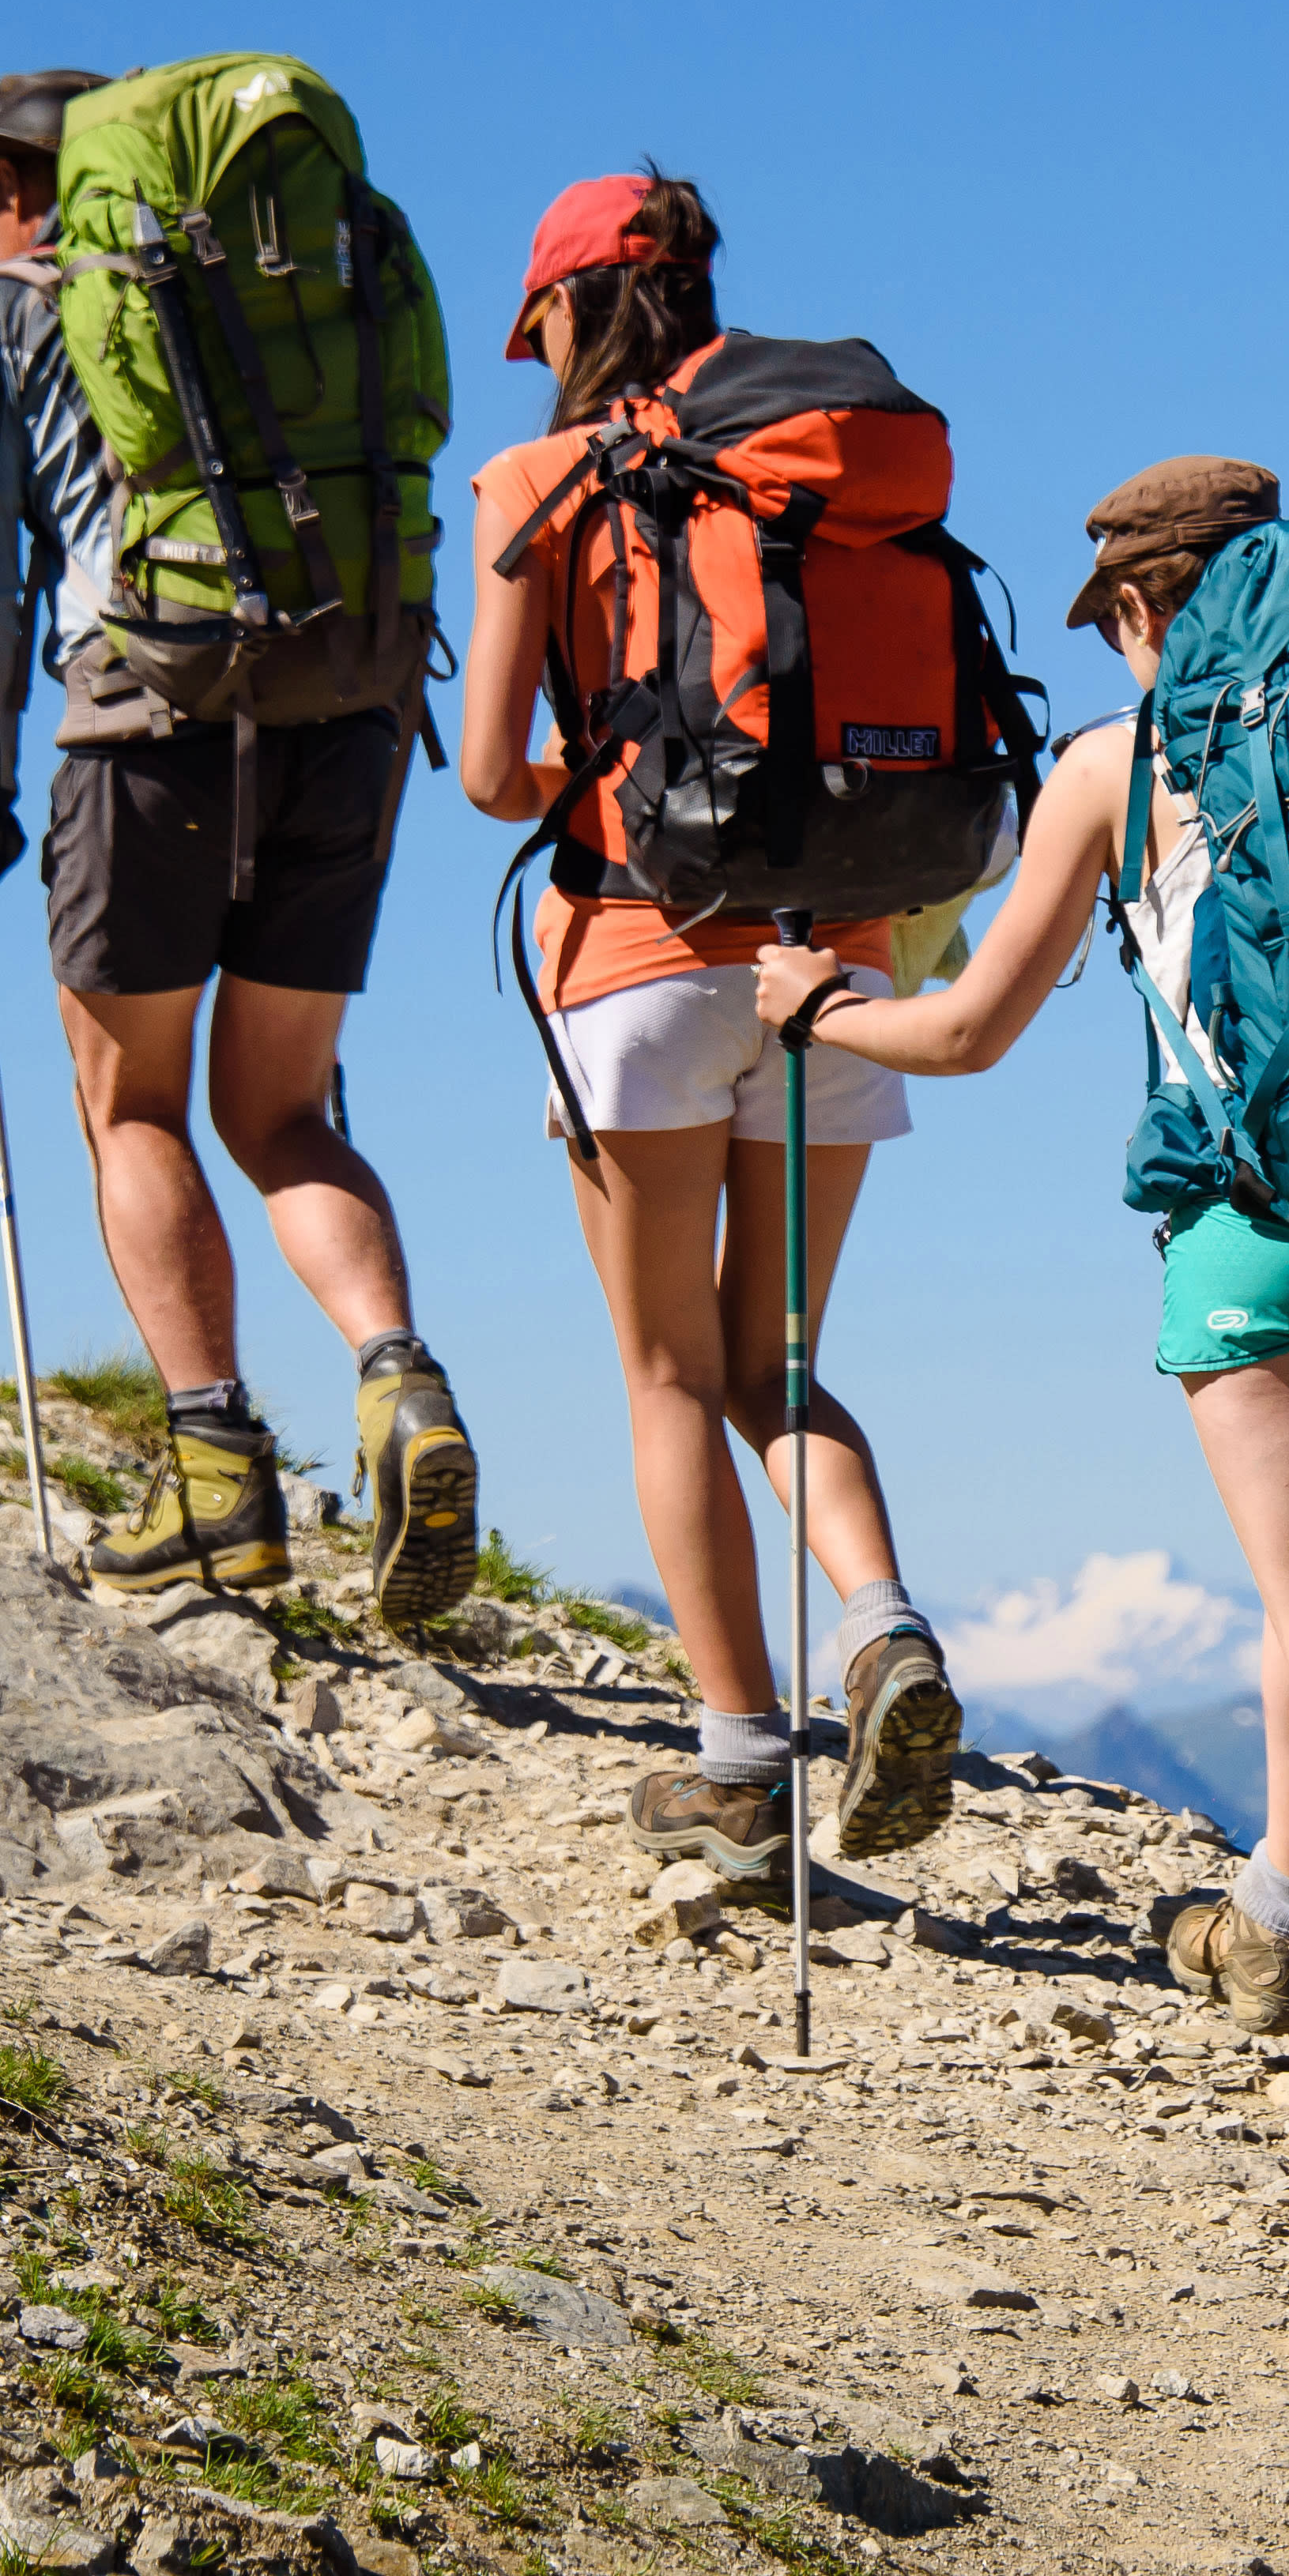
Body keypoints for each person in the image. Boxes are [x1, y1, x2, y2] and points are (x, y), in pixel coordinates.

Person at [752, 457, 1289, 2230]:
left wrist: (823, 1008)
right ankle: (1275, 1917)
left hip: (1272, 1241)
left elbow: (969, 1029)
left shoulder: (1120, 767)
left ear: (1133, 609)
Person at [0, 70, 481, 1618]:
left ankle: (217, 1474)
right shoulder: (258, 291)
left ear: (28, 191)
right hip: (346, 715)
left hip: (143, 725)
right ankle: (400, 1381)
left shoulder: (2, 317)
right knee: (283, 1111)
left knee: (134, 1107)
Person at [458, 170, 963, 1880]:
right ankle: (882, 1625)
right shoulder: (820, 460)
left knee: (669, 1371)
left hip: (641, 958)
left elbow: (491, 775)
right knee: (783, 1365)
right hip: (839, 960)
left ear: (562, 309)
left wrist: (606, 767)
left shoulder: (540, 481)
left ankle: (740, 1769)